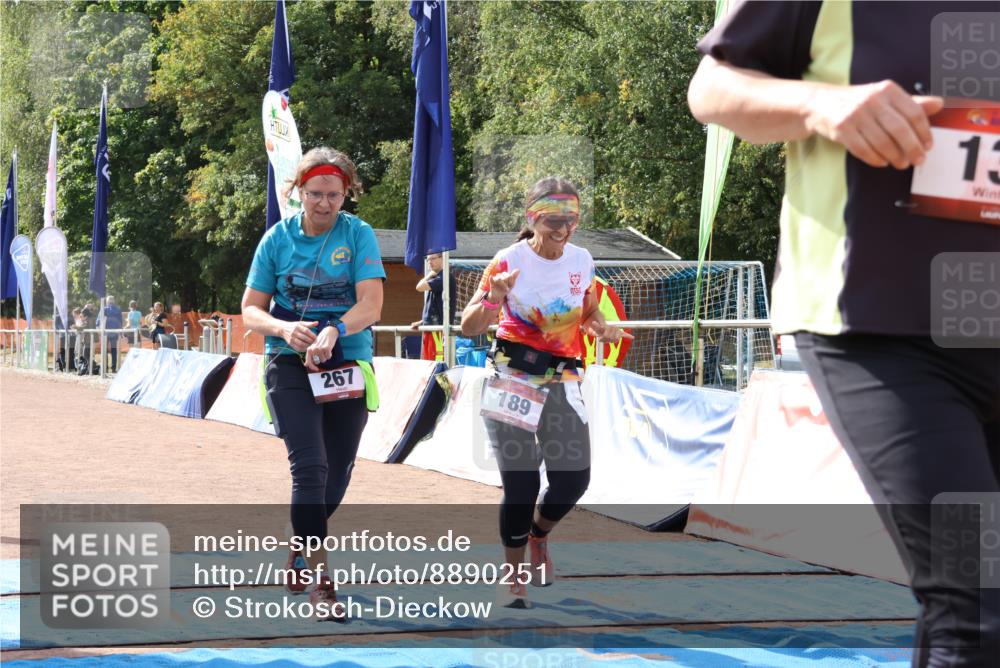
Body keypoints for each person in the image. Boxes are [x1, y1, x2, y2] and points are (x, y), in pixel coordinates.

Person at [688, 3, 999, 666]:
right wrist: (823, 105)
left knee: (974, 605)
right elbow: (712, 88)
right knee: (978, 602)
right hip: (877, 328)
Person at [461, 177, 632, 609]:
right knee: (520, 483)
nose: (562, 228)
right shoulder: (508, 260)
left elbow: (588, 311)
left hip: (564, 379)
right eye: (553, 219)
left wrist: (602, 327)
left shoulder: (582, 259)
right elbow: (469, 326)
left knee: (574, 479)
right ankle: (513, 572)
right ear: (532, 217)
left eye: (570, 219)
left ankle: (538, 535)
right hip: (512, 378)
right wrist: (492, 300)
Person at [242, 146, 385, 620]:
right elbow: (250, 309)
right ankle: (324, 584)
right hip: (289, 364)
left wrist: (336, 329)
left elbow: (372, 304)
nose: (324, 204)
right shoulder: (276, 240)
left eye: (335, 196)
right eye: (316, 194)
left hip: (346, 360)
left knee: (338, 474)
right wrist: (284, 329)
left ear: (348, 195)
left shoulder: (358, 235)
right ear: (298, 192)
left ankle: (302, 545)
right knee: (310, 470)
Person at [410, 252, 457, 361]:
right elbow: (435, 306)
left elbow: (419, 287)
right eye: (428, 260)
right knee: (427, 361)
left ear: (442, 259)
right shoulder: (438, 277)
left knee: (436, 362)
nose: (429, 262)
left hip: (438, 330)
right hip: (431, 328)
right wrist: (423, 321)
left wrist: (430, 274)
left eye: (432, 259)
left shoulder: (444, 277)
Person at [100, 295, 123, 373]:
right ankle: (110, 368)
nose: (110, 301)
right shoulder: (106, 309)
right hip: (109, 333)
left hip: (108, 333)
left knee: (108, 350)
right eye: (110, 300)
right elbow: (120, 321)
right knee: (111, 350)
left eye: (111, 300)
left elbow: (99, 320)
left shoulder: (105, 309)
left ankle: (108, 367)